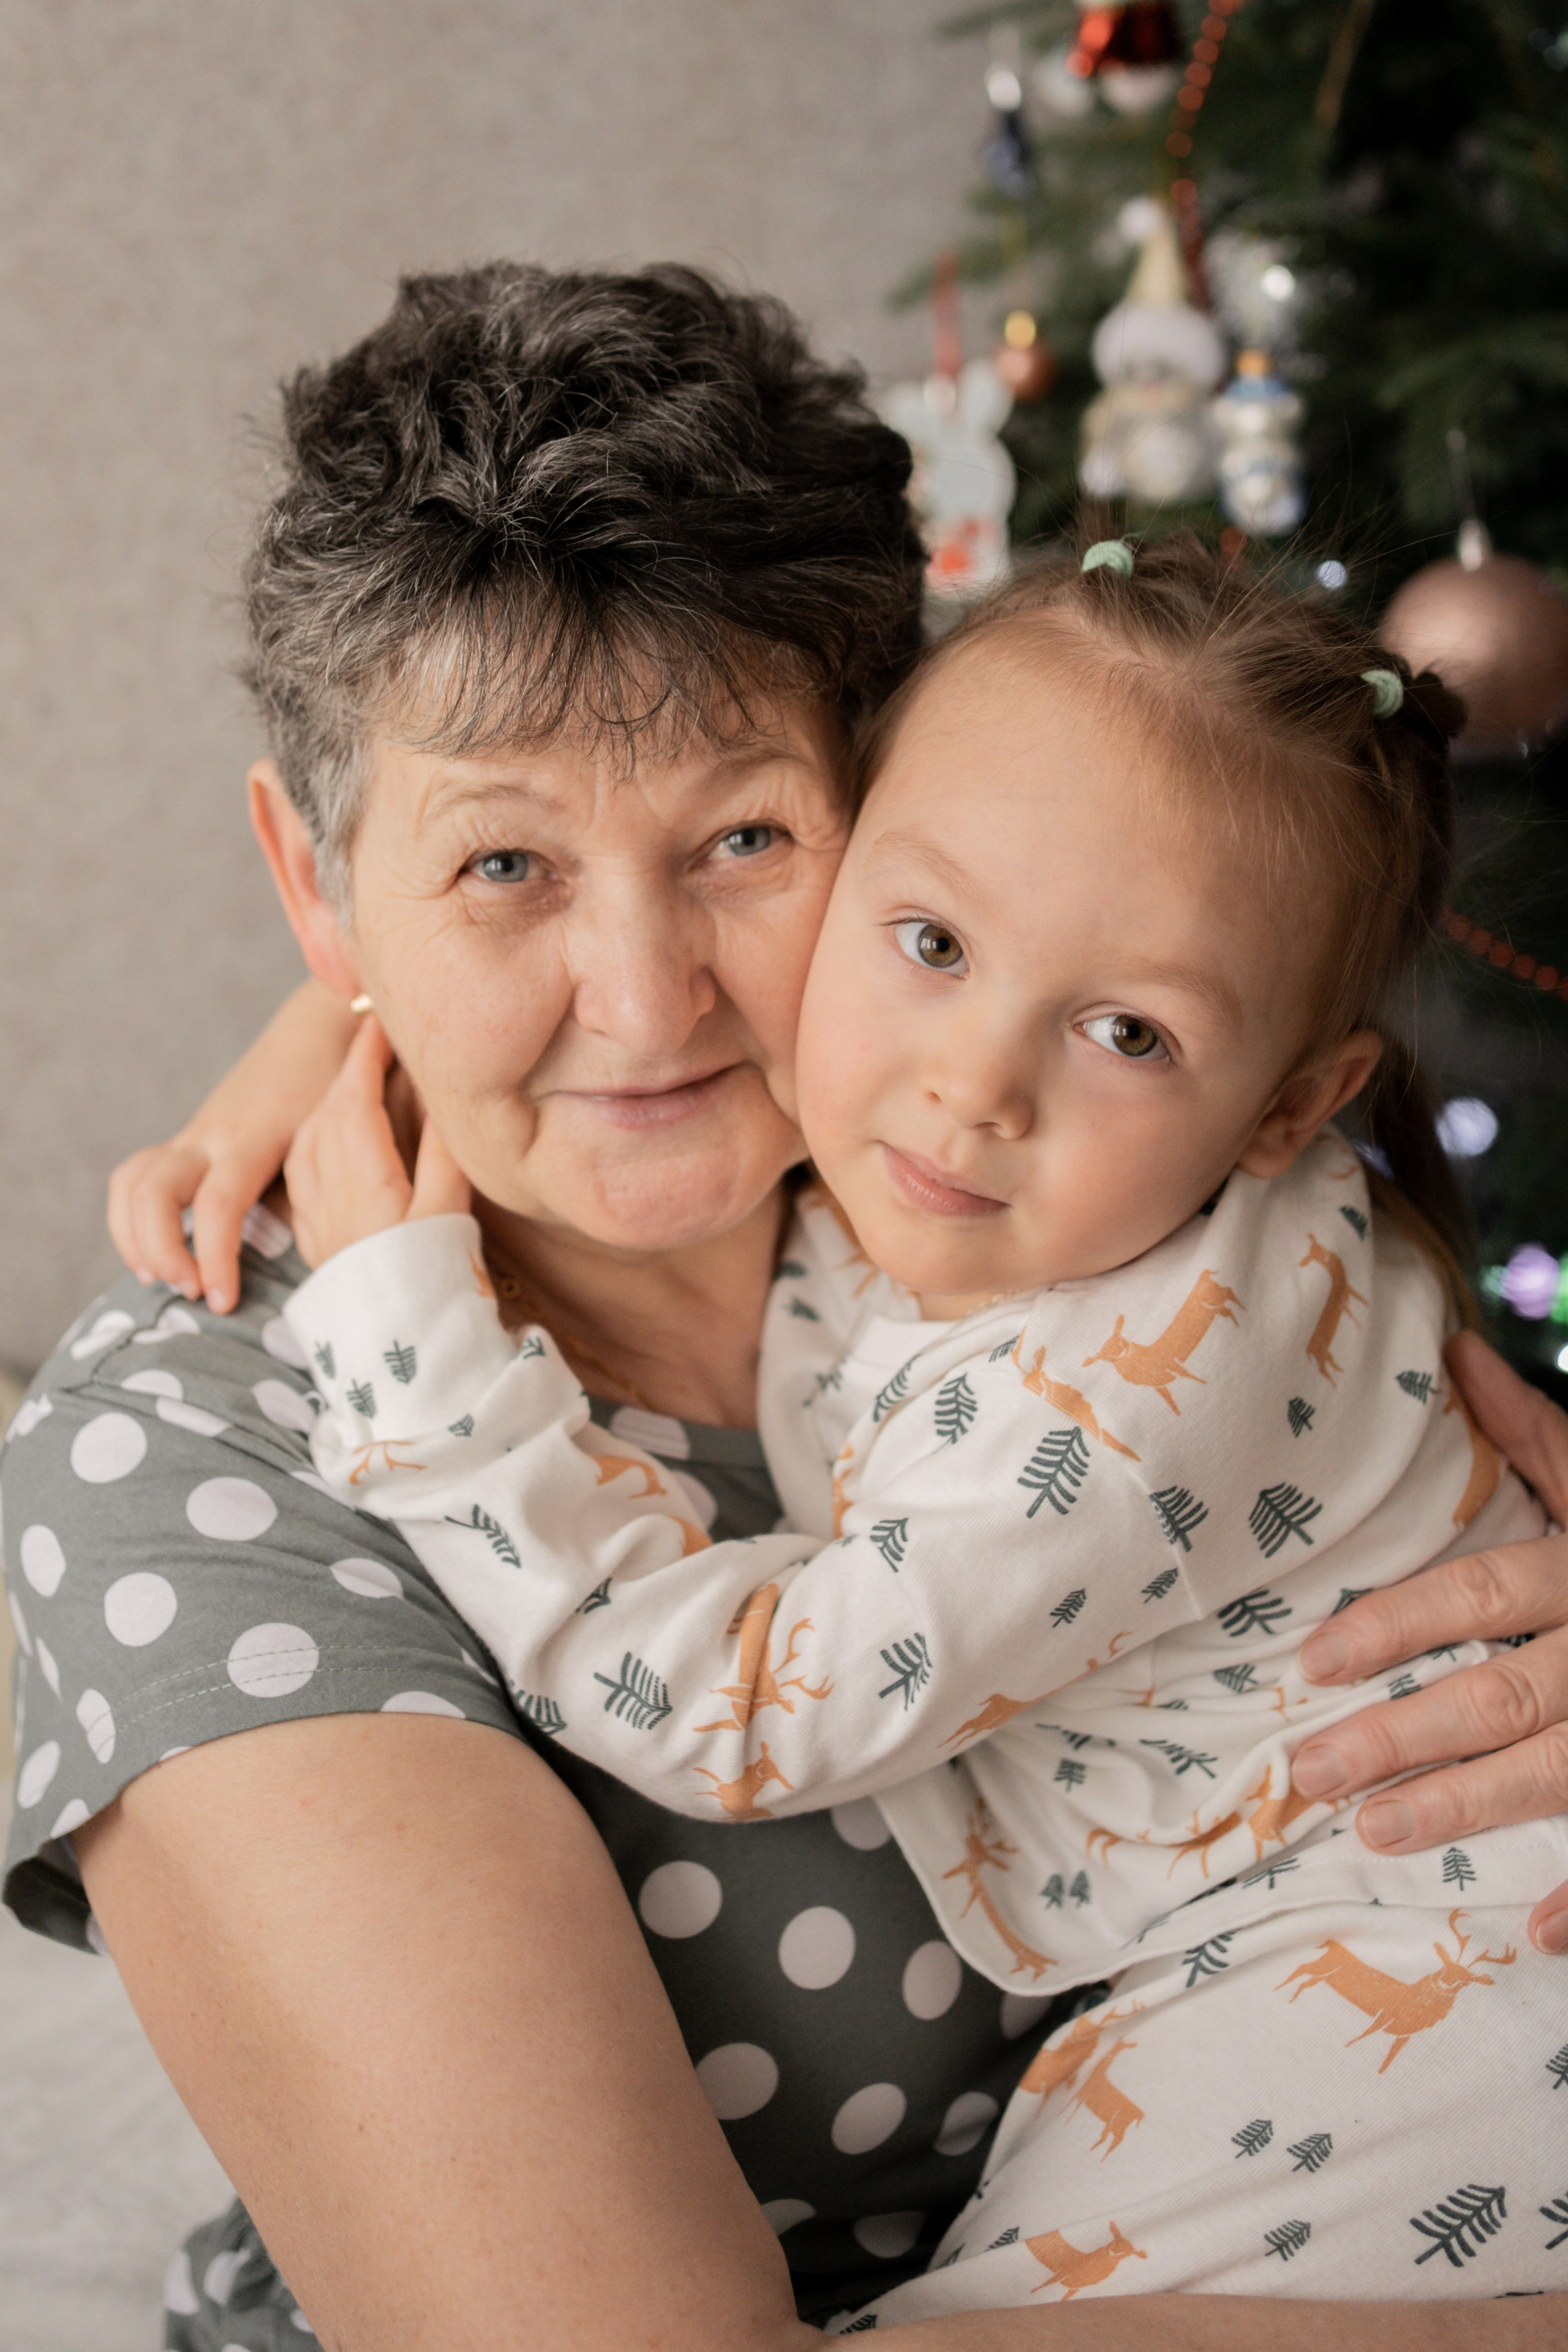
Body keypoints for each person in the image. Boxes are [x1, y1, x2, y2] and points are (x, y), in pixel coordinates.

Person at [1, 263, 1563, 2351]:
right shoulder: (195, 1463)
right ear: (317, 879)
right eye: (501, 872)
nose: (645, 1007)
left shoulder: (1011, 1173)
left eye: (745, 835)